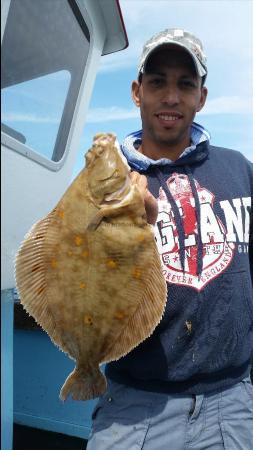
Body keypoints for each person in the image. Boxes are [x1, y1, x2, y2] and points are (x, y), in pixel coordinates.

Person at [87, 28, 253, 450]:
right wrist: (126, 232)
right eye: (158, 82)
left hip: (232, 404)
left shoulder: (239, 170)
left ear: (202, 97)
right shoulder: (104, 181)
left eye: (186, 84)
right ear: (136, 91)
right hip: (134, 408)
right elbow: (82, 285)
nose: (171, 97)